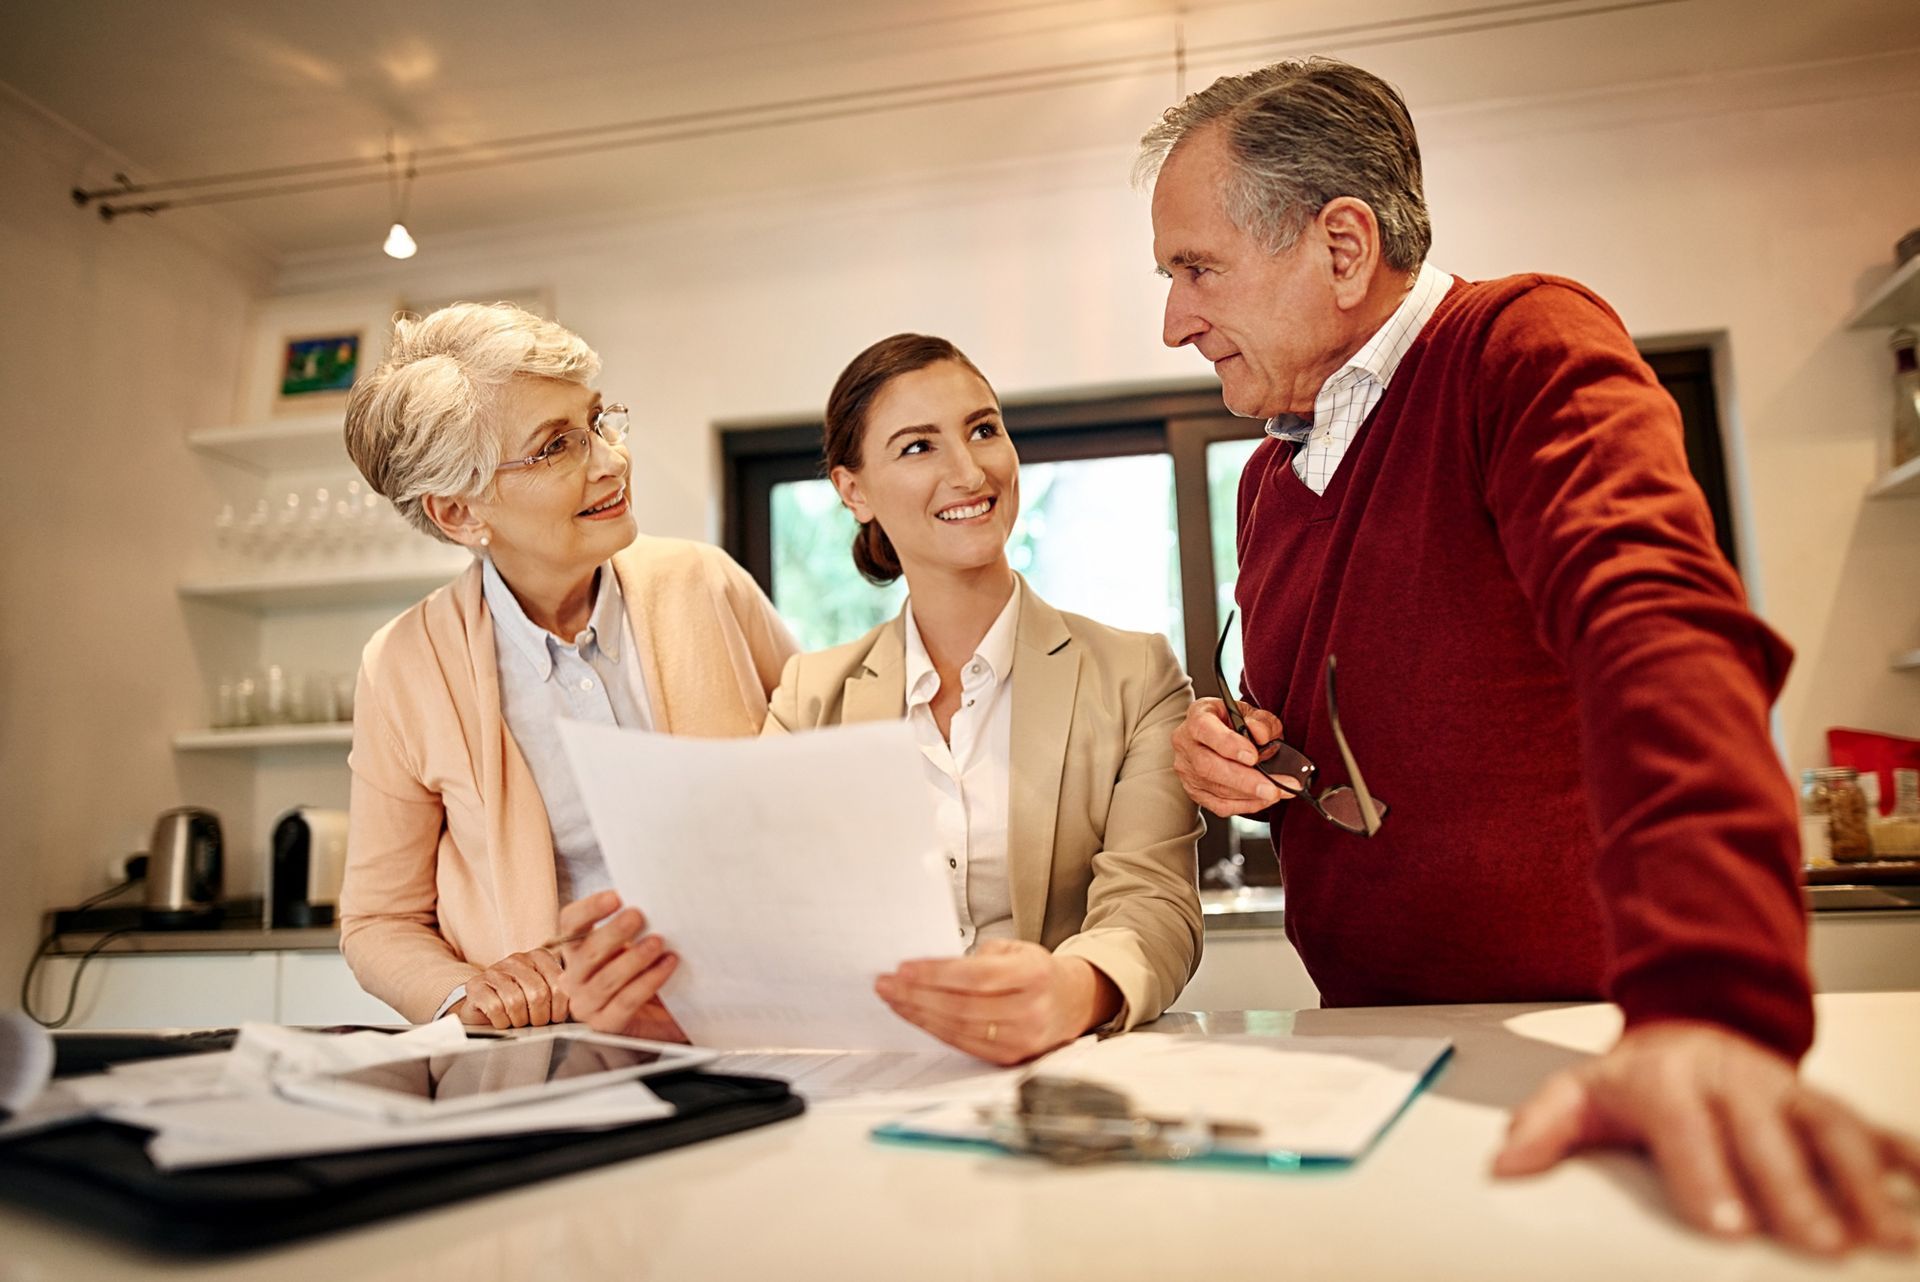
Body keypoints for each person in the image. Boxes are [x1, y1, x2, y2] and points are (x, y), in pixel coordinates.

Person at [1139, 58, 1918, 1255]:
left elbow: (1657, 632)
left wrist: (1709, 1004)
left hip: (1601, 1035)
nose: (1174, 320)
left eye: (1196, 269)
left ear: (1343, 246)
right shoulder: (1265, 477)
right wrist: (1239, 747)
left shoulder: (1519, 344)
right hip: (1377, 1049)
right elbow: (1343, 719)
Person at [563, 334, 1204, 1065]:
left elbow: (1155, 903)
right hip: (865, 1084)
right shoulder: (809, 698)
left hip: (1062, 1078)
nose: (969, 471)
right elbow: (764, 919)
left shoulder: (1135, 673)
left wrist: (1077, 986)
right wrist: (663, 992)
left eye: (983, 430)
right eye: (917, 447)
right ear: (853, 490)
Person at [337, 302, 796, 1030]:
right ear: (459, 513)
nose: (611, 461)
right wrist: (471, 992)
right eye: (557, 447)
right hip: (556, 1048)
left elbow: (822, 769)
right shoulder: (403, 664)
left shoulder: (706, 585)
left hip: (760, 1018)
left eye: (598, 422)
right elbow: (377, 922)